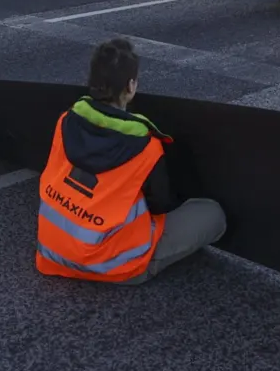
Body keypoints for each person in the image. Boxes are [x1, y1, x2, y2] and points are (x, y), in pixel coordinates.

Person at [35, 38, 227, 284]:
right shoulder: (145, 146)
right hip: (115, 264)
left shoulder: (66, 121)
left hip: (53, 251)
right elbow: (161, 205)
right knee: (212, 214)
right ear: (131, 86)